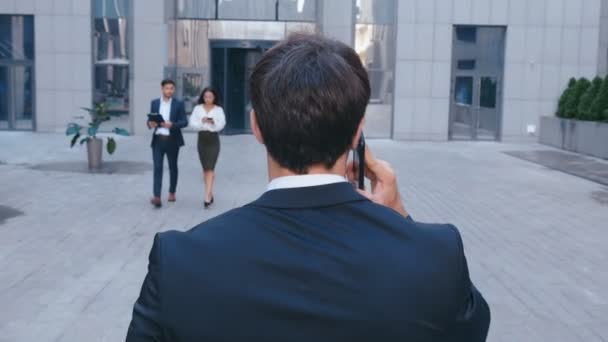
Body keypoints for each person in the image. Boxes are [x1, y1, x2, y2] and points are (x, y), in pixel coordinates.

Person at [127, 34, 490, 341]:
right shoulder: (435, 255)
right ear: (357, 132)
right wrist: (400, 220)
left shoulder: (179, 260)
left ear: (256, 127)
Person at [147, 79, 188, 208]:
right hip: (158, 140)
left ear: (174, 90)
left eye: (171, 88)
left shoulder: (178, 104)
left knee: (172, 167)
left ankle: (172, 191)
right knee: (158, 167)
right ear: (162, 89)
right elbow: (150, 120)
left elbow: (184, 122)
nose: (169, 90)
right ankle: (157, 196)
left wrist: (172, 125)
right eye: (167, 88)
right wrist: (150, 124)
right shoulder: (154, 103)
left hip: (172, 140)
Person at [188, 87, 226, 208]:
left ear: (214, 97)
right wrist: (202, 122)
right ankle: (210, 191)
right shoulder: (197, 109)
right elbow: (192, 124)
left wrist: (213, 122)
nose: (208, 99)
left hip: (213, 139)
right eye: (206, 96)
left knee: (210, 168)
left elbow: (222, 124)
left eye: (210, 97)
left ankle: (207, 196)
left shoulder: (218, 110)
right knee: (205, 168)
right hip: (202, 139)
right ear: (202, 97)